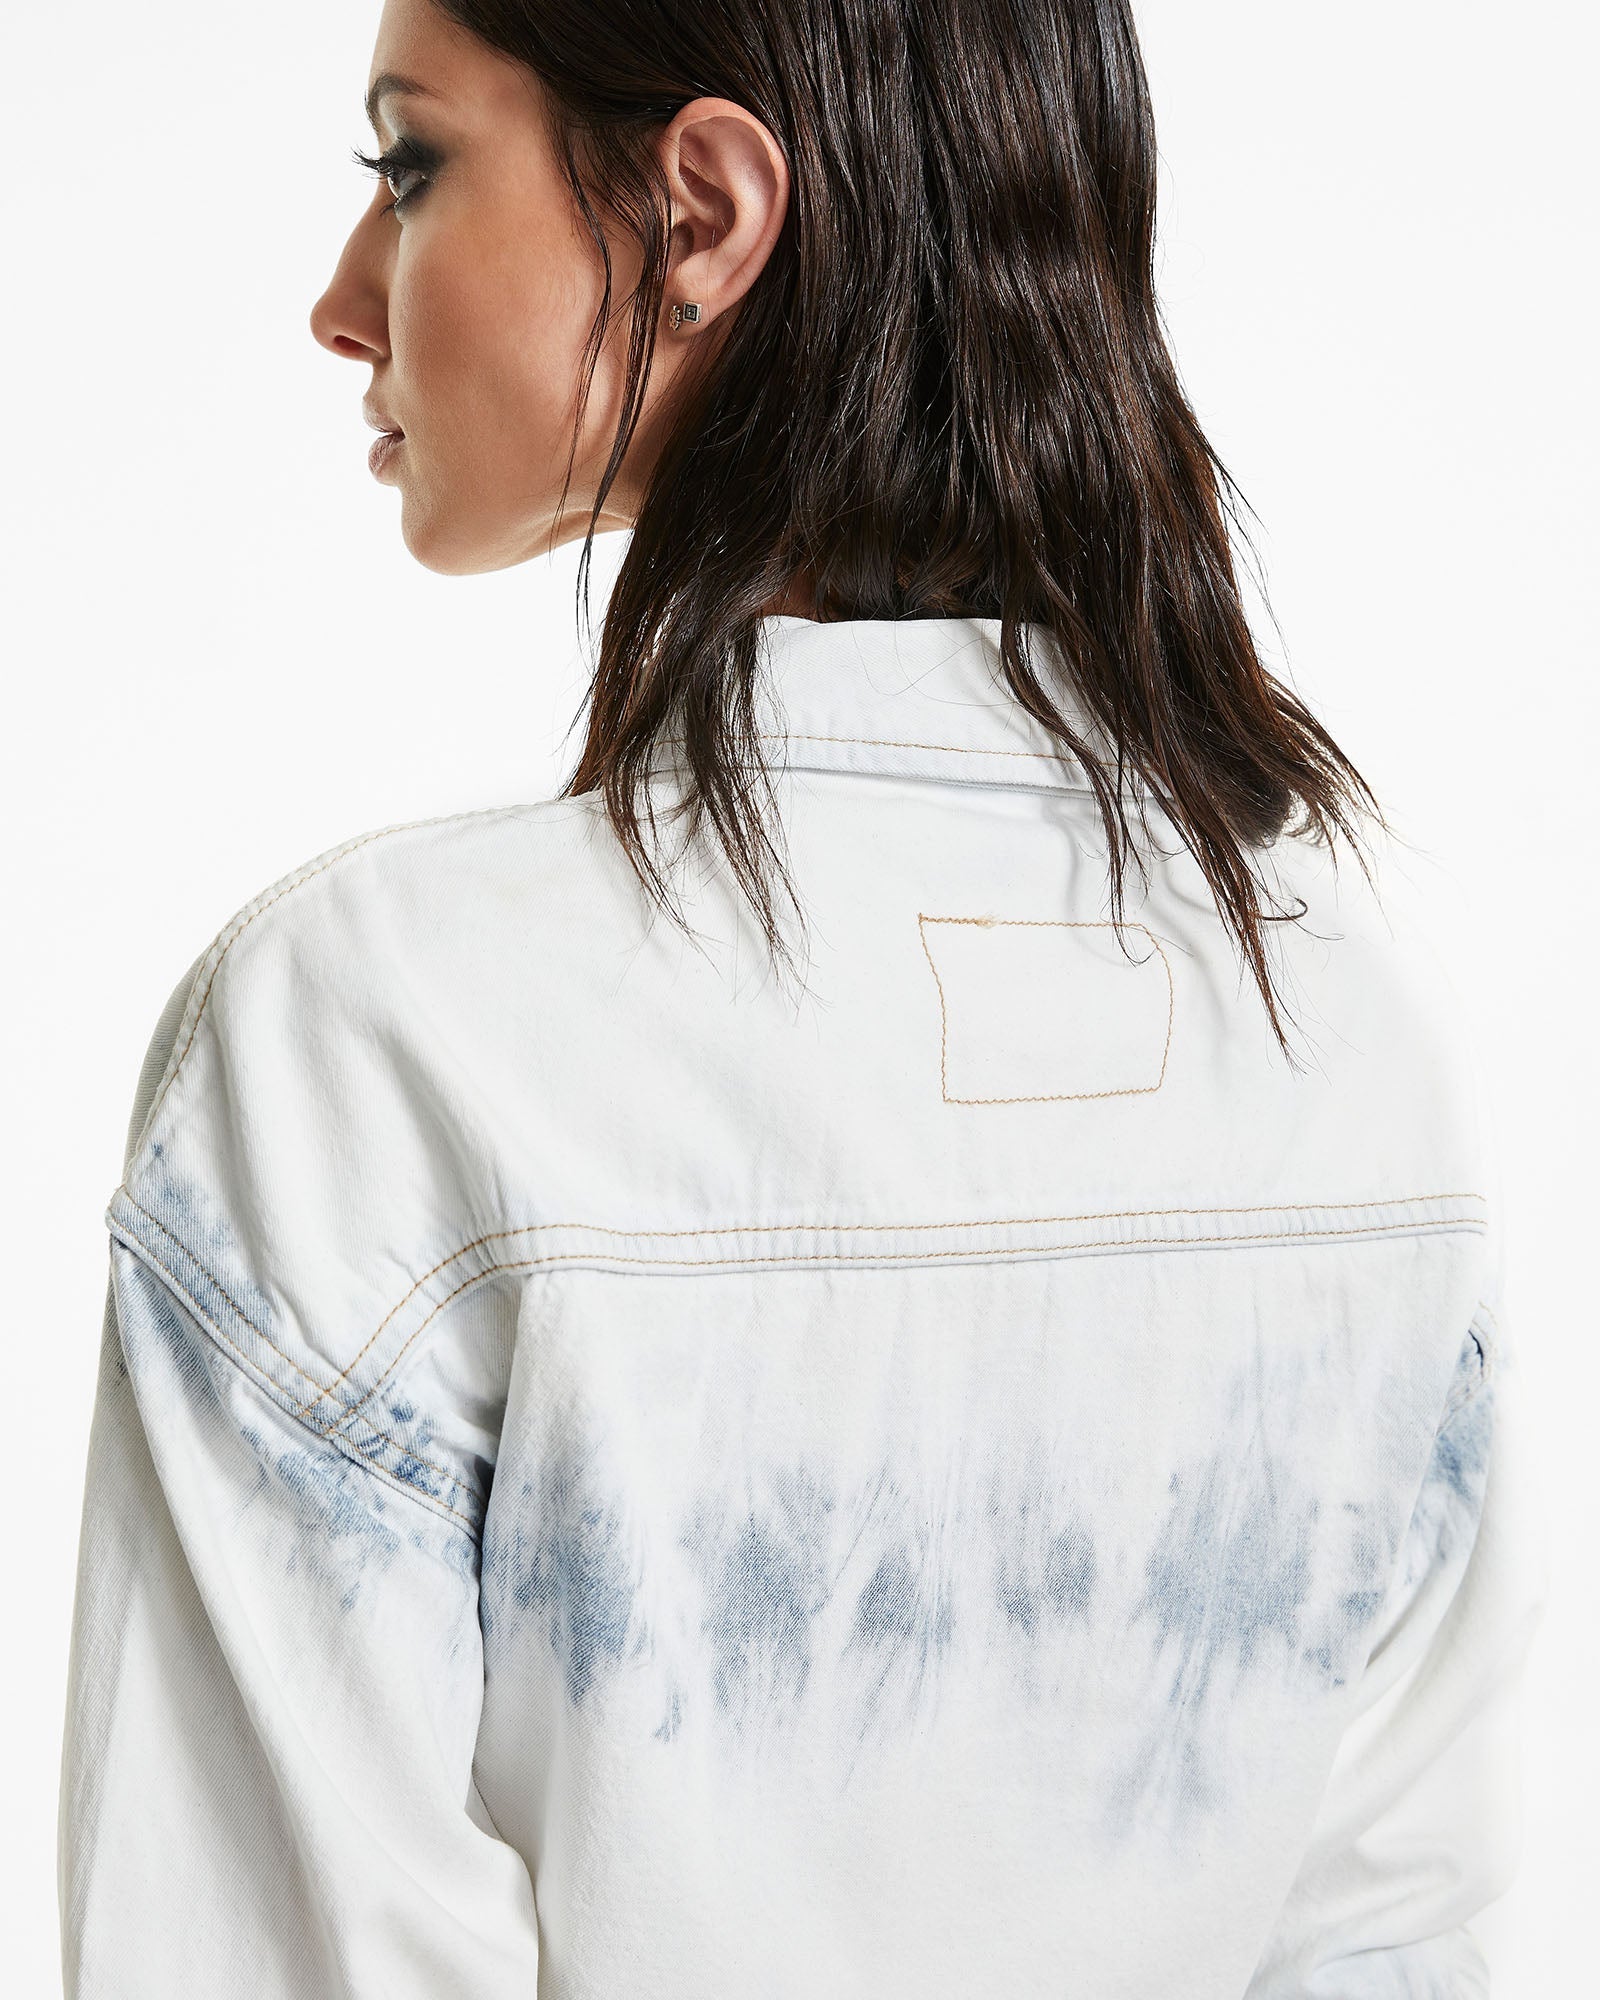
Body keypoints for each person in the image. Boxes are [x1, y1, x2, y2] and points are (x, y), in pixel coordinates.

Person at [57, 0, 1546, 1994]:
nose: (344, 303)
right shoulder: (1343, 1034)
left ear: (700, 212)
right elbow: (1385, 1941)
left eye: (410, 165)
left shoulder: (373, 1036)